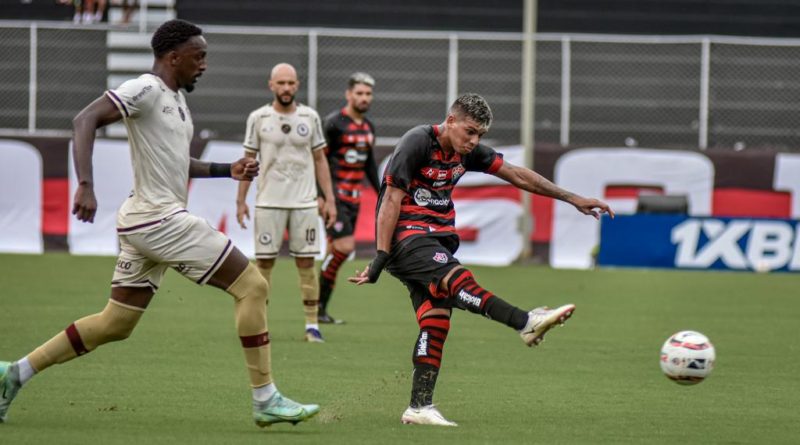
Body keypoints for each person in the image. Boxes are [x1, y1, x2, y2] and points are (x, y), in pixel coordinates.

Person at [0, 19, 319, 428]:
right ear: (174, 57)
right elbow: (84, 120)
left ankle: (15, 373)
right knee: (253, 285)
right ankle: (266, 398)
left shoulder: (177, 103)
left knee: (116, 323)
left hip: (144, 223)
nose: (204, 65)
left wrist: (228, 169)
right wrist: (84, 184)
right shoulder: (145, 88)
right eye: (198, 56)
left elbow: (176, 162)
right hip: (159, 220)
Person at [349, 93, 614, 426]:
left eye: (480, 136)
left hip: (434, 238)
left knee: (436, 319)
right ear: (451, 121)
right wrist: (380, 258)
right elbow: (390, 201)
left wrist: (572, 197)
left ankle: (418, 408)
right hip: (406, 239)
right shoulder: (417, 141)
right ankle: (525, 322)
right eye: (470, 132)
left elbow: (518, 175)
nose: (474, 141)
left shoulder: (466, 152)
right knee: (458, 280)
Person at [236, 63, 337, 343]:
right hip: (269, 202)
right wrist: (240, 200)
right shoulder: (258, 118)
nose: (286, 88)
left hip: (304, 203)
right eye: (281, 83)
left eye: (291, 83)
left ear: (297, 85)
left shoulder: (310, 117)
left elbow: (320, 160)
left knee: (306, 263)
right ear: (271, 85)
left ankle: (312, 325)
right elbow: (248, 161)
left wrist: (329, 199)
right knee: (264, 264)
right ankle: (260, 324)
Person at [317, 72, 379, 324]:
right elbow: (319, 160)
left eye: (368, 94)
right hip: (335, 198)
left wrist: (382, 192)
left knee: (335, 253)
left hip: (354, 201)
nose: (364, 98)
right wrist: (322, 197)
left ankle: (319, 310)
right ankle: (315, 302)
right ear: (348, 94)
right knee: (344, 248)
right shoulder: (334, 123)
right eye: (359, 93)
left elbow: (368, 165)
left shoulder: (368, 127)